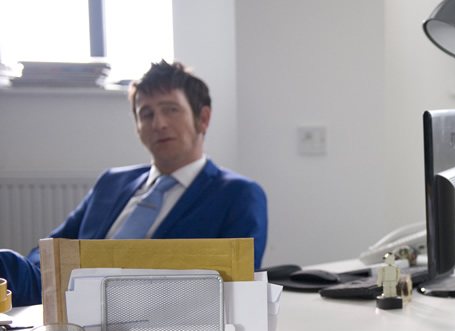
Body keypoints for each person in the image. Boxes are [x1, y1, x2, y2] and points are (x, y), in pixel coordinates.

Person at [0, 60, 268, 307]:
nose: (158, 124)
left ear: (203, 118)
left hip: (156, 316)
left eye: (171, 110)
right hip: (66, 301)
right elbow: (49, 249)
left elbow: (236, 288)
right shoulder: (112, 182)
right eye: (146, 114)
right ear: (138, 126)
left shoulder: (238, 194)